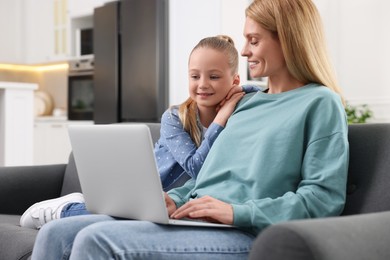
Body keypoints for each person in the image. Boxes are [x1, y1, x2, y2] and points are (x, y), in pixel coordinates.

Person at [31, 0, 349, 259]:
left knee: (97, 241)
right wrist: (173, 199)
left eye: (254, 40)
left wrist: (236, 213)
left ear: (290, 39)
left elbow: (323, 199)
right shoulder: (245, 102)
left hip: (246, 233)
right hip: (196, 221)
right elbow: (205, 178)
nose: (245, 51)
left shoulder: (319, 103)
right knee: (55, 233)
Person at [21, 35, 261, 230]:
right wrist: (220, 118)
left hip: (188, 204)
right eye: (195, 76)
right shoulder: (175, 118)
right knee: (126, 219)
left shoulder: (241, 114)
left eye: (215, 77)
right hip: (152, 197)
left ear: (234, 81)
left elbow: (263, 92)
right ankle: (66, 209)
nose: (202, 84)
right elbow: (199, 169)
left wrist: (242, 93)